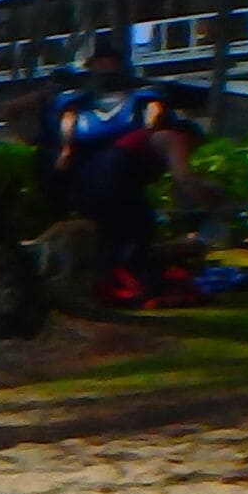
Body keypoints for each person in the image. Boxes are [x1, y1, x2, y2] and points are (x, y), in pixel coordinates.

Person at [47, 38, 198, 303]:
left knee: (136, 222)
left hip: (124, 167)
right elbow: (67, 121)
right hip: (96, 173)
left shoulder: (141, 97)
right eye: (99, 64)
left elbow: (155, 113)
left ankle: (126, 277)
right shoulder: (77, 100)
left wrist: (151, 131)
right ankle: (117, 278)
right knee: (122, 224)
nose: (105, 69)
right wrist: (66, 149)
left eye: (109, 63)